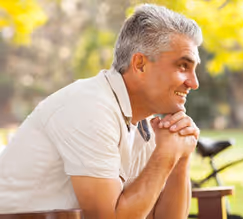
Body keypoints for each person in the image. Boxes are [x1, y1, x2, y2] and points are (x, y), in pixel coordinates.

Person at [0, 4, 203, 219]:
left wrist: (180, 160)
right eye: (182, 66)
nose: (194, 83)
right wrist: (166, 156)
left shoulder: (146, 124)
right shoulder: (89, 108)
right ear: (140, 64)